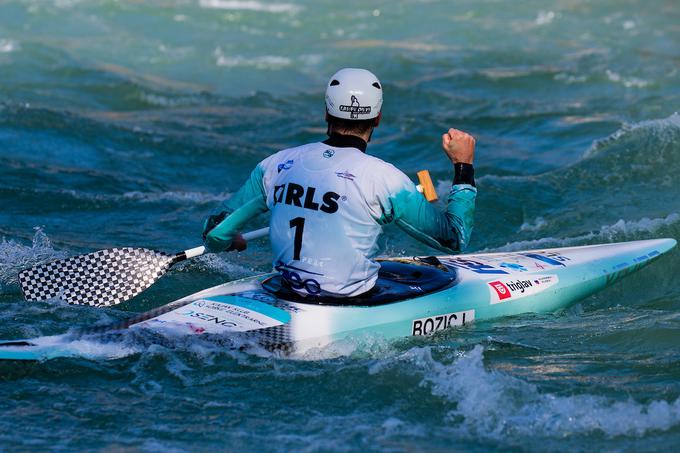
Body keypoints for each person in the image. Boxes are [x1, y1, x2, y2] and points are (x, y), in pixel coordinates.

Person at [203, 68, 477, 298]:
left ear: (326, 113)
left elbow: (215, 234)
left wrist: (230, 241)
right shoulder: (387, 180)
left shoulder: (276, 165)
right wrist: (463, 166)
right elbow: (454, 239)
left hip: (287, 292)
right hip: (348, 304)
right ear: (378, 118)